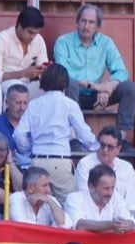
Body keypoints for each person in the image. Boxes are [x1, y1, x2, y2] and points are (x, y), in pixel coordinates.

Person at [15, 64, 99, 203]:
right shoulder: (69, 104)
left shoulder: (33, 104)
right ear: (65, 83)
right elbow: (84, 134)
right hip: (60, 161)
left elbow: (19, 135)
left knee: (40, 206)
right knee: (68, 207)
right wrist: (94, 146)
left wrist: (29, 150)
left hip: (37, 161)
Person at [76, 126, 135, 220]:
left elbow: (132, 199)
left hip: (122, 220)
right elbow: (86, 197)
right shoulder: (85, 164)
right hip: (94, 220)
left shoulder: (126, 168)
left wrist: (126, 219)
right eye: (102, 145)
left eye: (110, 147)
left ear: (119, 149)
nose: (105, 150)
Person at [0, 6, 48, 106]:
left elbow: (43, 68)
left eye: (36, 33)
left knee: (53, 90)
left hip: (27, 85)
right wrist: (23, 73)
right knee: (16, 88)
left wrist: (45, 71)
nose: (33, 37)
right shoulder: (0, 40)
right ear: (19, 26)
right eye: (30, 32)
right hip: (4, 85)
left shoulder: (38, 40)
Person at [65, 164, 135, 234]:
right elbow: (79, 224)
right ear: (91, 187)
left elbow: (130, 220)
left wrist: (126, 225)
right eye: (106, 188)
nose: (110, 193)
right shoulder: (74, 198)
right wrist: (111, 225)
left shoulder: (116, 197)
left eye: (112, 188)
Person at [0, 85, 28, 166]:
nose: (22, 108)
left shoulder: (33, 125)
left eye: (25, 103)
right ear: (7, 103)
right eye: (18, 103)